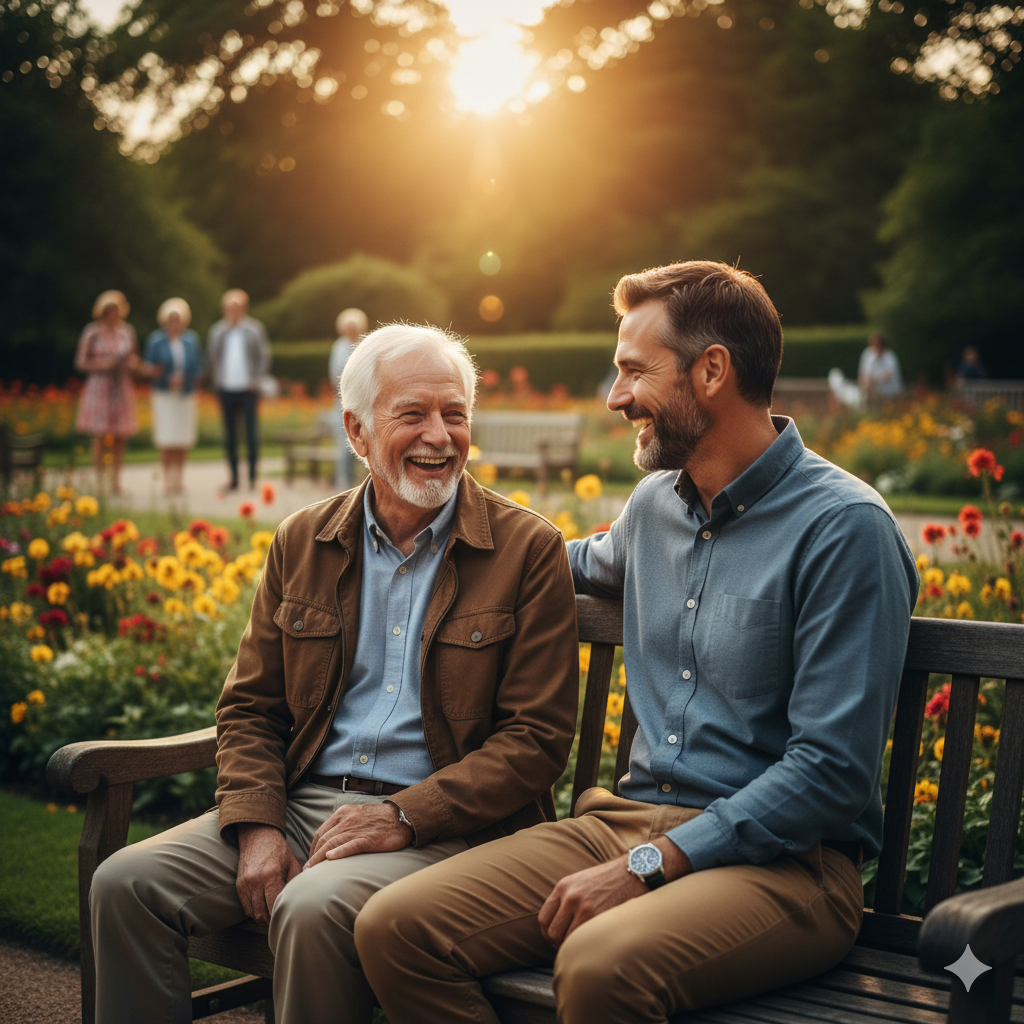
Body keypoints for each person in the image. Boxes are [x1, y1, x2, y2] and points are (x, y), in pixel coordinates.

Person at [354, 261, 920, 1024]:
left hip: (789, 867)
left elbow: (830, 775)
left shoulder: (844, 528)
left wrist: (651, 864)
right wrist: (405, 530)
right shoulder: (657, 504)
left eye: (632, 371)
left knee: (599, 965)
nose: (617, 396)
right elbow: (559, 561)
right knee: (395, 928)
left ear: (712, 370)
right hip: (624, 823)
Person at [89, 323, 580, 1024]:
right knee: (124, 886)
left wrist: (402, 817)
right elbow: (252, 709)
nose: (439, 436)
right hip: (302, 807)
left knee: (310, 908)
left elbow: (535, 740)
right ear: (356, 430)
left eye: (455, 414)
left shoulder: (527, 549)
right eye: (412, 414)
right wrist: (256, 826)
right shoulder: (303, 540)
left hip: (450, 829)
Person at [74, 290, 140, 495]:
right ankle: (100, 482)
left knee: (120, 435)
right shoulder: (92, 332)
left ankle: (116, 481)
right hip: (100, 387)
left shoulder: (127, 332)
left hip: (121, 386)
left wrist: (132, 364)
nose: (114, 314)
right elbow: (80, 362)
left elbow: (134, 358)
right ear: (103, 311)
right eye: (110, 310)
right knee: (100, 435)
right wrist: (103, 363)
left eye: (117, 310)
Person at [206, 288, 271, 491]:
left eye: (237, 307)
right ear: (225, 309)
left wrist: (257, 380)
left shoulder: (254, 329)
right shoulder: (217, 331)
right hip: (226, 389)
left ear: (243, 308)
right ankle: (233, 478)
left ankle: (252, 477)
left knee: (251, 434)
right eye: (230, 307)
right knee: (230, 435)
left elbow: (264, 356)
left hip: (248, 389)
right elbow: (211, 358)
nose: (233, 311)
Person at [141, 298, 203, 496]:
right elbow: (148, 367)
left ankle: (179, 478)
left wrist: (185, 377)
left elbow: (198, 366)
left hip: (184, 394)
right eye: (171, 319)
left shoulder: (191, 340)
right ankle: (168, 479)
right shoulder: (155, 340)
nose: (174, 323)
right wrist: (166, 376)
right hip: (164, 394)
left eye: (177, 319)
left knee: (182, 436)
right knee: (167, 436)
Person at [329, 307, 369, 489]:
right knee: (344, 442)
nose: (351, 330)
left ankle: (364, 481)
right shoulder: (338, 346)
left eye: (354, 327)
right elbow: (334, 373)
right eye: (348, 327)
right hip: (343, 400)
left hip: (364, 399)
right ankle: (343, 481)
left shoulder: (366, 344)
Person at [857, 331, 902, 401]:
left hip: (889, 388)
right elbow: (863, 374)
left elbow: (888, 376)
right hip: (872, 388)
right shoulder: (867, 354)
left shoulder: (890, 357)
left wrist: (873, 380)